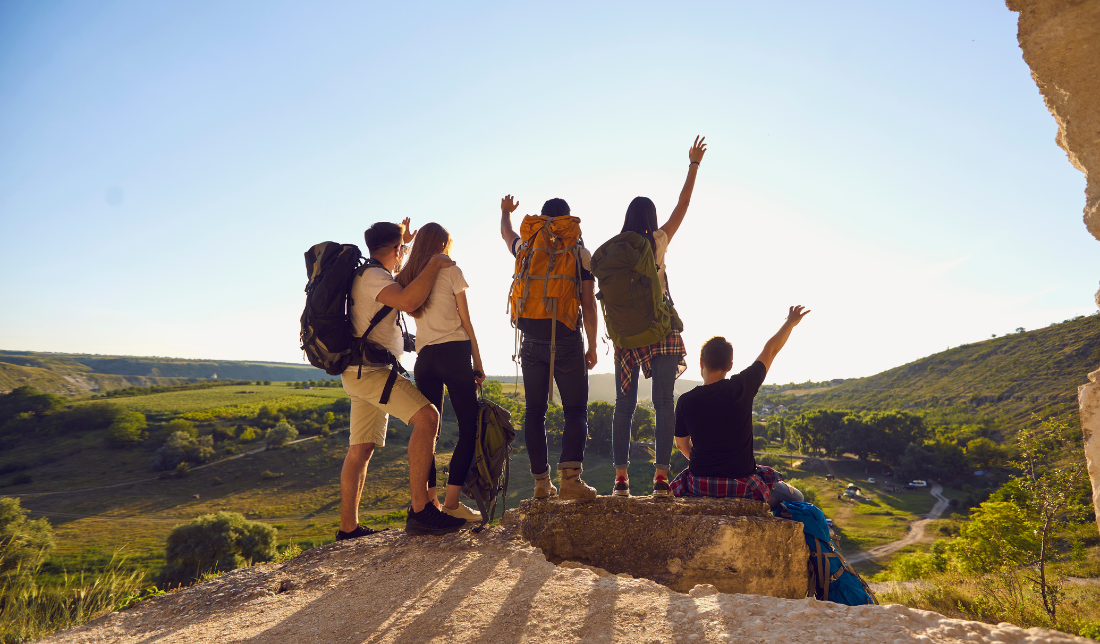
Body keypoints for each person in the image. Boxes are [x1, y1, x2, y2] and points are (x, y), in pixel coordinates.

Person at [337, 219, 467, 540]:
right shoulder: (374, 277)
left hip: (358, 371)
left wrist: (405, 242)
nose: (402, 255)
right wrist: (435, 261)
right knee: (428, 418)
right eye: (400, 250)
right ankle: (421, 511)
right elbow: (409, 300)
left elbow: (400, 276)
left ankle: (348, 529)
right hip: (372, 372)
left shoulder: (368, 273)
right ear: (393, 250)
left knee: (361, 448)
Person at [610, 135, 707, 499]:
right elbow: (683, 204)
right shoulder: (658, 242)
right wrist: (693, 164)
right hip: (660, 331)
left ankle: (621, 480)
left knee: (625, 405)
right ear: (650, 220)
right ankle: (661, 479)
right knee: (663, 402)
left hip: (624, 336)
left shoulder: (614, 251)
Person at [500, 195, 599, 501]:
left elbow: (508, 235)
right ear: (567, 220)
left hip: (531, 338)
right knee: (575, 410)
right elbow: (587, 301)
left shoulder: (528, 247)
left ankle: (542, 484)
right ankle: (570, 480)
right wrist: (592, 344)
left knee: (534, 411)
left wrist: (505, 212)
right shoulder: (579, 251)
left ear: (542, 219)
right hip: (567, 337)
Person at [670, 306, 811, 508]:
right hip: (742, 485)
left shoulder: (685, 400)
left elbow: (682, 445)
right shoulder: (741, 387)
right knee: (797, 498)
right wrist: (789, 322)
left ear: (701, 362)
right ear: (730, 366)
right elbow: (770, 350)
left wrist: (708, 463)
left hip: (700, 484)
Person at [395, 222, 485, 523]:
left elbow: (399, 266)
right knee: (469, 428)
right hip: (455, 353)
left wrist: (405, 243)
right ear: (442, 245)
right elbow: (467, 321)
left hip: (425, 358)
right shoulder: (452, 273)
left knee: (428, 432)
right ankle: (452, 502)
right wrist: (478, 361)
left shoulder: (410, 278)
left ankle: (431, 502)